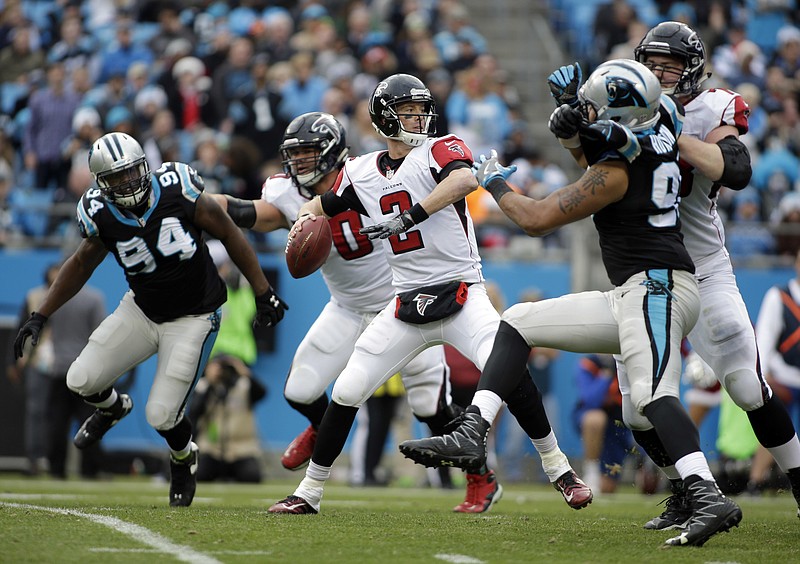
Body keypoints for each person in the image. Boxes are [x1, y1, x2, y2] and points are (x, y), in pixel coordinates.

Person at [399, 59, 741, 547]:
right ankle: (472, 428)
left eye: (597, 109)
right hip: (635, 291)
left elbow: (536, 218)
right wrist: (573, 123)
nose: (589, 114)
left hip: (659, 288)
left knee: (650, 396)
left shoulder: (622, 168)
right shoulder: (653, 134)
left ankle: (707, 496)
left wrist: (492, 180)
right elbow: (605, 147)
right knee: (517, 321)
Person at [265, 74, 581, 515]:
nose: (418, 118)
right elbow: (320, 205)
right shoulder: (359, 172)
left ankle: (559, 468)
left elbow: (464, 181)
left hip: (461, 293)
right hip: (404, 303)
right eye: (407, 112)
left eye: (420, 110)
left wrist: (409, 216)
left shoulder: (439, 148)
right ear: (383, 118)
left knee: (504, 367)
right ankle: (309, 493)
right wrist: (303, 219)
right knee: (348, 388)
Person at [214, 111, 503, 514]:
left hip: (400, 305)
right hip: (347, 308)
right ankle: (320, 429)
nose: (298, 163)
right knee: (300, 389)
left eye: (308, 153)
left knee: (429, 408)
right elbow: (257, 214)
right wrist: (210, 204)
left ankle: (480, 476)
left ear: (332, 152)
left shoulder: (367, 175)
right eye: (293, 155)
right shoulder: (287, 193)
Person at [13, 132, 288, 507]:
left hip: (194, 315)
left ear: (145, 166)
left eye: (130, 173)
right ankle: (113, 407)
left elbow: (228, 231)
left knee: (162, 415)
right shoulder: (99, 213)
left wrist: (262, 290)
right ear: (101, 185)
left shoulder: (178, 189)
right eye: (115, 179)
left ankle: (182, 458)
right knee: (80, 379)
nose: (126, 184)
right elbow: (79, 265)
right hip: (141, 310)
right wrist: (40, 314)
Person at [627, 20, 800, 528]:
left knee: (746, 386)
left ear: (693, 70)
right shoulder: (618, 100)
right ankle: (687, 492)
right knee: (639, 409)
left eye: (670, 65)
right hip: (639, 271)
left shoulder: (711, 109)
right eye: (651, 63)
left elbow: (738, 170)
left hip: (701, 268)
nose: (658, 74)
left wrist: (669, 129)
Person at [752, 249, 800, 500]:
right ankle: (756, 480)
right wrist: (763, 375)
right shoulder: (779, 296)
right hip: (785, 378)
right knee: (774, 419)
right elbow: (764, 339)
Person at [188, 354, 266, 483]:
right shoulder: (204, 386)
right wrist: (210, 381)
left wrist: (244, 372)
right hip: (211, 449)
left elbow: (262, 393)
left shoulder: (244, 385)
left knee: (251, 476)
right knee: (200, 475)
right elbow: (195, 412)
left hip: (241, 449)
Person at [572, 354, 632, 495]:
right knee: (595, 419)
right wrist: (606, 375)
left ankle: (650, 468)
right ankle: (591, 472)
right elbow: (591, 400)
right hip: (592, 418)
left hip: (619, 424)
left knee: (607, 488)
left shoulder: (628, 363)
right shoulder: (588, 364)